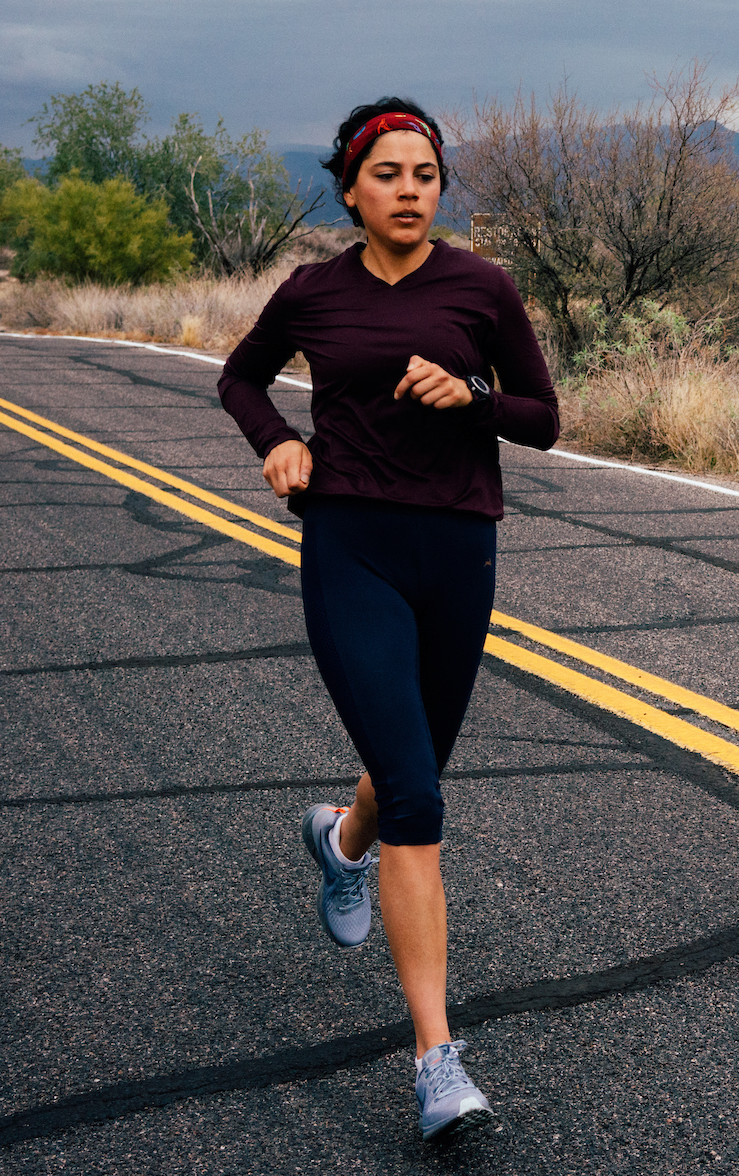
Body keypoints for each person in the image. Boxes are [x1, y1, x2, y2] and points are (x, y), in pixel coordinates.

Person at [218, 97, 558, 1140]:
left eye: (425, 173)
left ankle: (341, 837)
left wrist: (473, 395)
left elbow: (542, 418)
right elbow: (239, 376)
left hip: (458, 548)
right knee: (419, 790)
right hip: (351, 544)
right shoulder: (314, 292)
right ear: (352, 189)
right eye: (389, 174)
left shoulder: (481, 286)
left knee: (409, 773)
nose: (410, 190)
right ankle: (437, 1063)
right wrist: (278, 440)